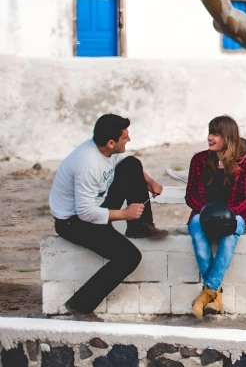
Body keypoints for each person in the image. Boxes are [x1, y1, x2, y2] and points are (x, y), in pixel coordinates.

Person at [49, 113, 167, 321]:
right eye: (125, 137)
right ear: (111, 142)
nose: (128, 139)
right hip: (73, 221)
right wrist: (124, 214)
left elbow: (121, 158)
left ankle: (140, 226)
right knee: (129, 257)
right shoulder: (87, 164)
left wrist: (148, 180)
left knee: (132, 164)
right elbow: (85, 212)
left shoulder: (104, 148)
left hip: (97, 204)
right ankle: (80, 305)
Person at [184, 115, 246, 318]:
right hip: (202, 214)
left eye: (216, 134)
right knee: (200, 243)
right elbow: (190, 194)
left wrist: (227, 216)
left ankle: (207, 292)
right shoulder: (199, 160)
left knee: (228, 239)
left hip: (235, 214)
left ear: (228, 137)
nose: (210, 137)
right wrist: (206, 213)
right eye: (210, 133)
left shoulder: (245, 162)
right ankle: (215, 295)